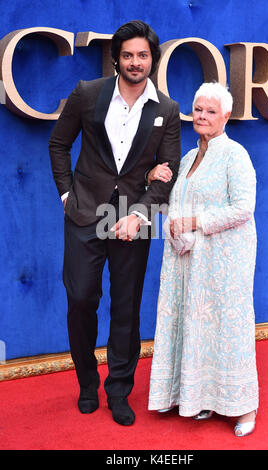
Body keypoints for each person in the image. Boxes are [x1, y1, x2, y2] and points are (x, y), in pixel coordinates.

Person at [49, 20, 181, 426]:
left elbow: (169, 169)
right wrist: (68, 195)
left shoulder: (168, 110)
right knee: (82, 300)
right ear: (116, 58)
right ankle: (87, 383)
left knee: (126, 309)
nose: (135, 62)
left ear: (152, 60)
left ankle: (119, 390)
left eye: (143, 55)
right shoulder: (88, 94)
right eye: (128, 55)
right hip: (85, 214)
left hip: (131, 220)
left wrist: (140, 213)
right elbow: (58, 143)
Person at [148, 82, 259, 437]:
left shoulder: (235, 154)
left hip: (225, 260)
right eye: (198, 109)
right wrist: (154, 177)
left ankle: (246, 408)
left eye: (211, 111)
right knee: (199, 328)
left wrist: (195, 223)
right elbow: (179, 200)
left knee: (228, 330)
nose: (202, 116)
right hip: (191, 259)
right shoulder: (187, 157)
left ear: (226, 115)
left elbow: (243, 208)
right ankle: (202, 398)